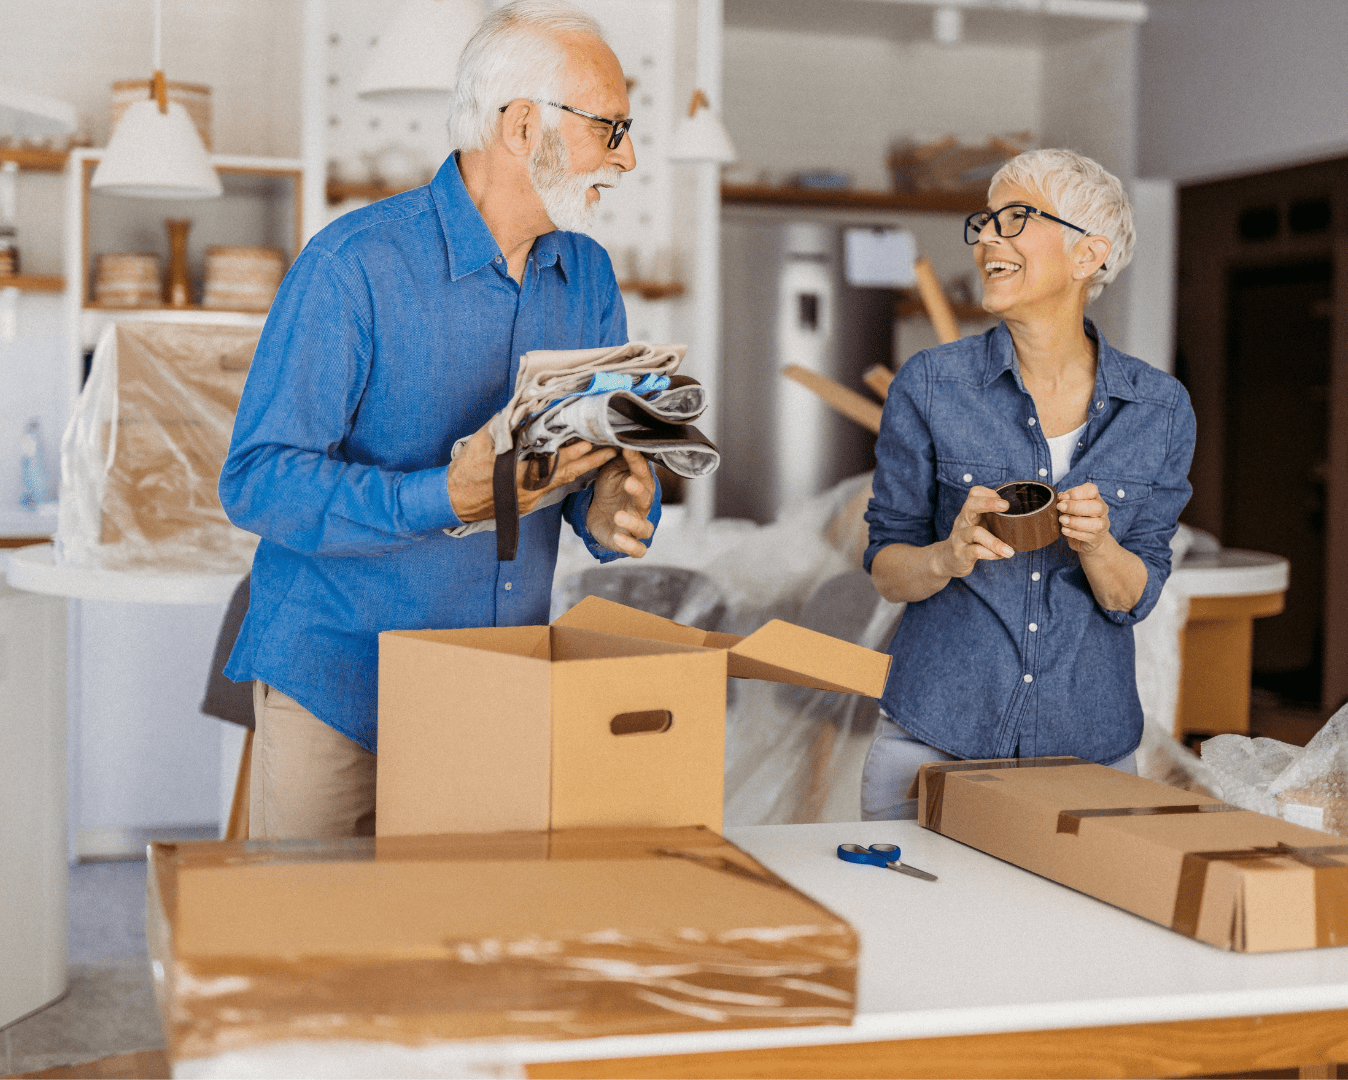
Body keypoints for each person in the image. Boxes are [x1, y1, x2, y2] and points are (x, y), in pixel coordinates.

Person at [219, 0, 656, 840]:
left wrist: (606, 504)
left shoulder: (590, 275)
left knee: (459, 952)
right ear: (525, 126)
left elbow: (587, 460)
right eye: (612, 128)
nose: (627, 156)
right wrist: (442, 498)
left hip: (491, 687)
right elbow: (257, 481)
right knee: (320, 951)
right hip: (339, 681)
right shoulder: (354, 265)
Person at [860, 148, 1196, 820]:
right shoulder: (930, 385)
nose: (986, 237)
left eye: (1013, 219)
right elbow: (887, 570)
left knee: (1068, 929)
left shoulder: (1160, 409)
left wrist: (1099, 544)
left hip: (1087, 753)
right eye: (983, 221)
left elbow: (1135, 597)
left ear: (1086, 255)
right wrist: (944, 557)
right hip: (933, 739)